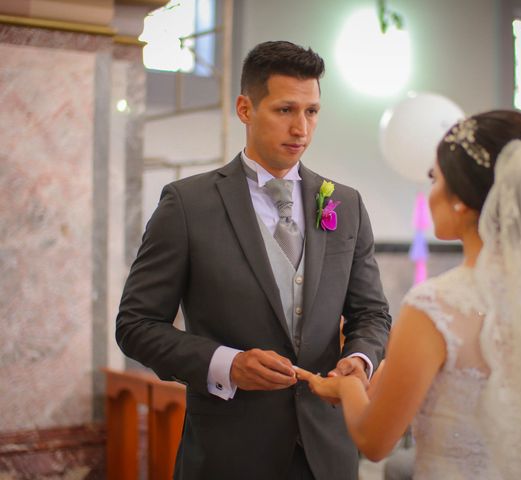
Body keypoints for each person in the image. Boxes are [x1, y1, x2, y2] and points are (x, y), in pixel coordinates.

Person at [297, 110, 521, 479]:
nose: (430, 193)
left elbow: (374, 440)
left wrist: (348, 387)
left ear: (460, 199)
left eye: (435, 179)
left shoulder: (435, 305)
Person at [116, 40, 391, 480]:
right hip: (228, 455)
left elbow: (372, 313)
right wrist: (227, 364)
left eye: (312, 112)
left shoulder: (346, 204)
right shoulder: (187, 205)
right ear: (246, 109)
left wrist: (360, 360)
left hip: (327, 455)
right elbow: (135, 325)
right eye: (285, 110)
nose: (301, 128)